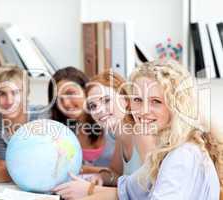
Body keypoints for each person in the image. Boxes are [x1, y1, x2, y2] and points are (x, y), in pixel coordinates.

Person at [79, 59, 223, 200]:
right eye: (138, 100)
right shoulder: (163, 153)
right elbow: (126, 190)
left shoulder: (182, 155)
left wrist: (89, 190)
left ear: (177, 105)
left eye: (156, 101)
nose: (143, 111)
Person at [53, 70, 154, 199]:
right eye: (93, 106)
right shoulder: (120, 136)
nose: (99, 110)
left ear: (126, 100)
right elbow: (115, 173)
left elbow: (150, 189)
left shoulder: (142, 133)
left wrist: (91, 190)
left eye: (106, 100)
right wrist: (100, 177)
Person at [48, 67, 115, 168]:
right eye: (58, 98)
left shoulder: (110, 122)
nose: (65, 103)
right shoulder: (59, 132)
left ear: (86, 91)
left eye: (70, 93)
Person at [0, 66, 47, 160]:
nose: (9, 101)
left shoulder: (43, 117)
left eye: (16, 92)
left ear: (27, 93)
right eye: (2, 94)